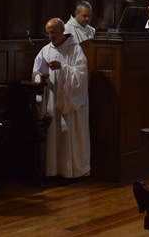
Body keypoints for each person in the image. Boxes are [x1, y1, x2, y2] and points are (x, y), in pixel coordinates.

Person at [32, 18, 90, 179]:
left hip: (69, 102)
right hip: (51, 98)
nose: (51, 36)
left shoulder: (74, 49)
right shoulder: (45, 50)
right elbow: (36, 72)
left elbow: (82, 74)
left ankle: (70, 171)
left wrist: (63, 68)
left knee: (67, 134)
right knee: (53, 135)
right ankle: (53, 170)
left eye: (54, 32)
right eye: (48, 33)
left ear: (62, 31)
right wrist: (40, 76)